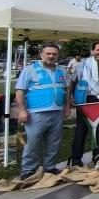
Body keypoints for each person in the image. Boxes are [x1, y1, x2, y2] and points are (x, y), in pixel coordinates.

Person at [15, 43, 70, 180]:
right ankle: (28, 170)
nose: (51, 56)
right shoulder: (30, 70)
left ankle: (49, 166)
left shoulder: (62, 70)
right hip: (36, 113)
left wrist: (67, 106)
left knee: (53, 142)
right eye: (48, 53)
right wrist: (22, 111)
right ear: (41, 54)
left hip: (56, 111)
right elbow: (20, 91)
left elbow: (67, 89)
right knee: (33, 143)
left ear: (58, 55)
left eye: (54, 54)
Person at [69, 40, 99, 167]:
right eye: (98, 50)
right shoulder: (83, 65)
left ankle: (98, 155)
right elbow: (73, 81)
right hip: (87, 100)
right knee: (82, 129)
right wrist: (71, 97)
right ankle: (76, 159)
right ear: (92, 51)